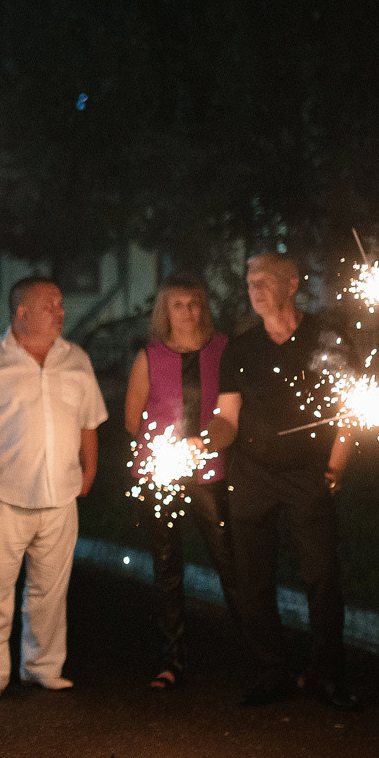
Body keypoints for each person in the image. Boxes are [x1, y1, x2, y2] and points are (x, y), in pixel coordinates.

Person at [0, 276, 108, 699]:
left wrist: (89, 469)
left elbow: (88, 422)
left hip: (59, 495)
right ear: (22, 312)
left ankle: (42, 665)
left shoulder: (75, 360)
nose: (61, 312)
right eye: (51, 305)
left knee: (50, 591)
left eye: (60, 304)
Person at [212, 252, 359, 710]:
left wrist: (334, 469)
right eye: (250, 281)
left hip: (308, 474)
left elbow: (350, 409)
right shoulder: (240, 349)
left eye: (265, 280)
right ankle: (271, 670)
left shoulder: (326, 336)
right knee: (253, 578)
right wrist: (204, 440)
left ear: (291, 283)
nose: (255, 288)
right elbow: (228, 418)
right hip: (252, 474)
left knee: (321, 575)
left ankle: (325, 673)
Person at [120, 273, 244, 689]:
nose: (188, 311)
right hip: (160, 475)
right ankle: (171, 659)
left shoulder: (223, 350)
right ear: (164, 310)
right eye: (178, 304)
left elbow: (230, 416)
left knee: (230, 560)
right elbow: (131, 419)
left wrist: (203, 445)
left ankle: (255, 655)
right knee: (167, 566)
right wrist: (162, 449)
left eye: (194, 303)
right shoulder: (150, 357)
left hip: (210, 472)